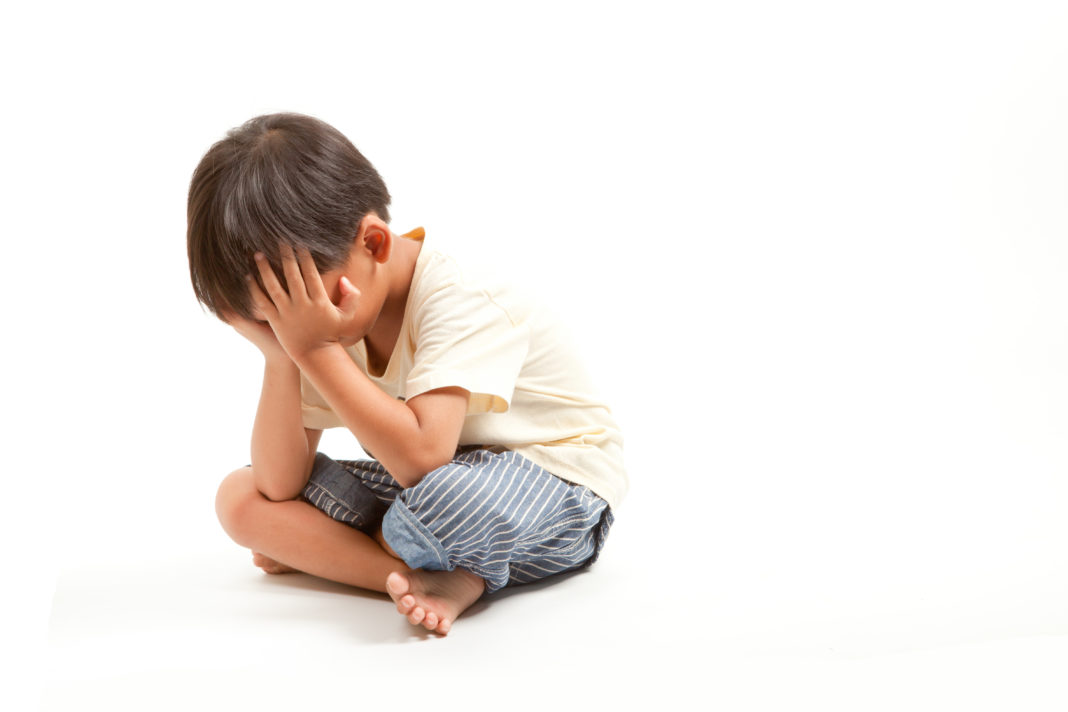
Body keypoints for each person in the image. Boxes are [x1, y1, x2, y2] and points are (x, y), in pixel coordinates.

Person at [187, 113, 627, 635]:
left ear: (373, 244)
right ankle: (419, 574)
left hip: (556, 488)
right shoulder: (315, 331)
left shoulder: (457, 293)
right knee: (240, 498)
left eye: (298, 306)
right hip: (427, 487)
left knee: (444, 502)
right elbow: (280, 485)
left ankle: (380, 554)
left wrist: (314, 348)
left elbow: (423, 458)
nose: (291, 326)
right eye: (271, 319)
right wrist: (284, 357)